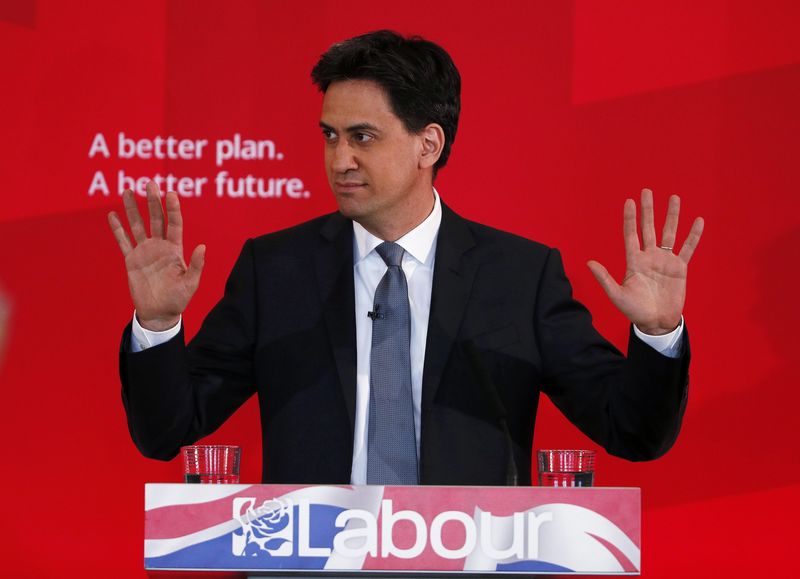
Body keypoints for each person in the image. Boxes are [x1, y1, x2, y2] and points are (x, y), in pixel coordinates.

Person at [109, 30, 704, 485]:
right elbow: (168, 431)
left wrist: (657, 335)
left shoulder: (519, 277)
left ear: (429, 144)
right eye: (329, 136)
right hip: (311, 566)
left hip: (471, 565)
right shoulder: (277, 270)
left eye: (362, 137)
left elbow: (632, 432)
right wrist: (158, 328)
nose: (339, 159)